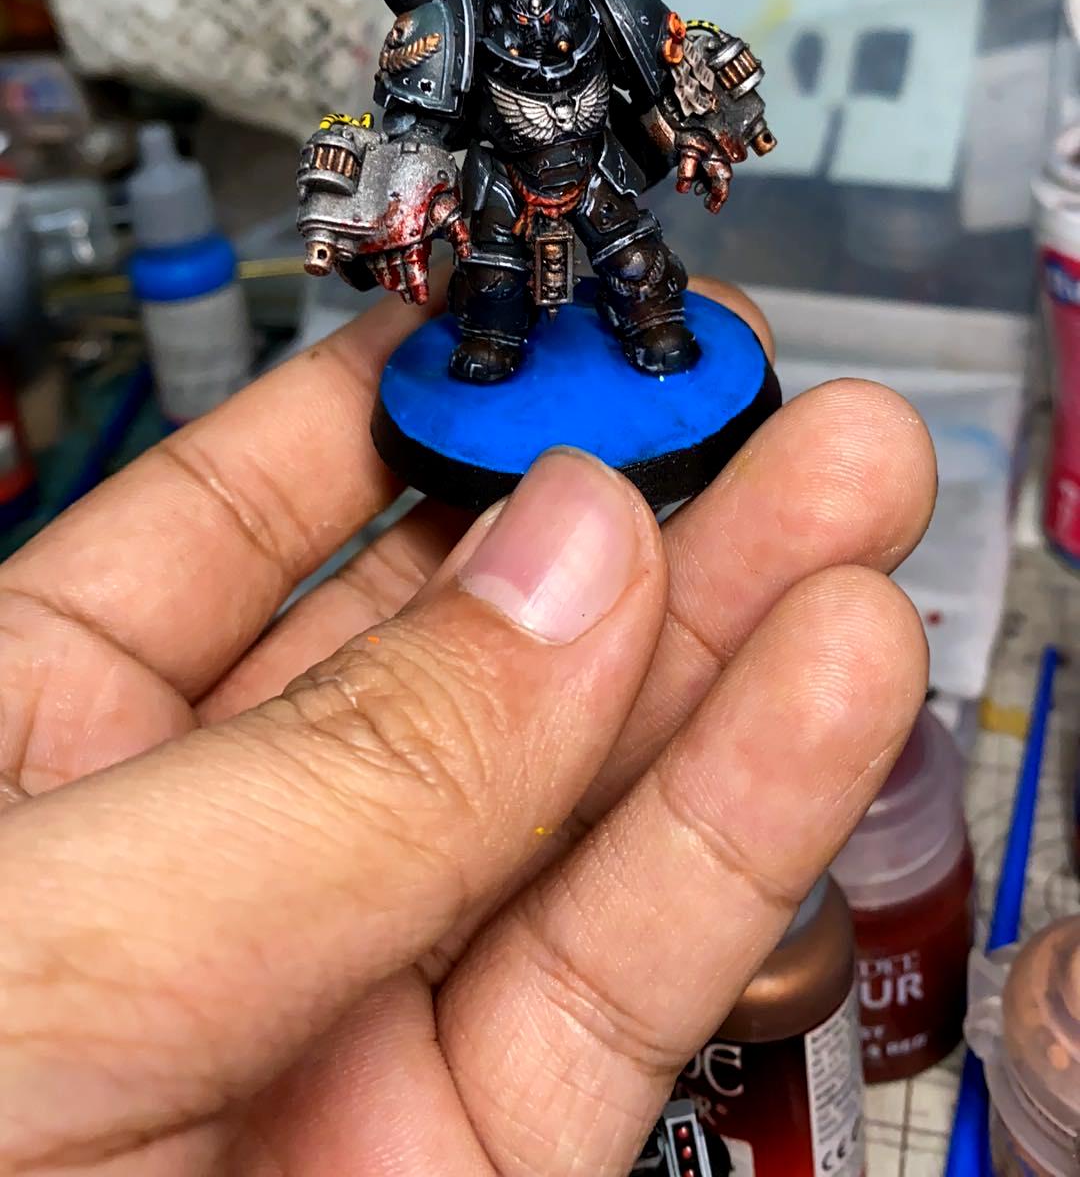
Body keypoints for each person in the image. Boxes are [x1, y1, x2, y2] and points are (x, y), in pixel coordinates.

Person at [0, 278, 935, 1175]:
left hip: (604, 229)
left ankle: (638, 322)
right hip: (502, 238)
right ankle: (498, 338)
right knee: (495, 294)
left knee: (634, 270)